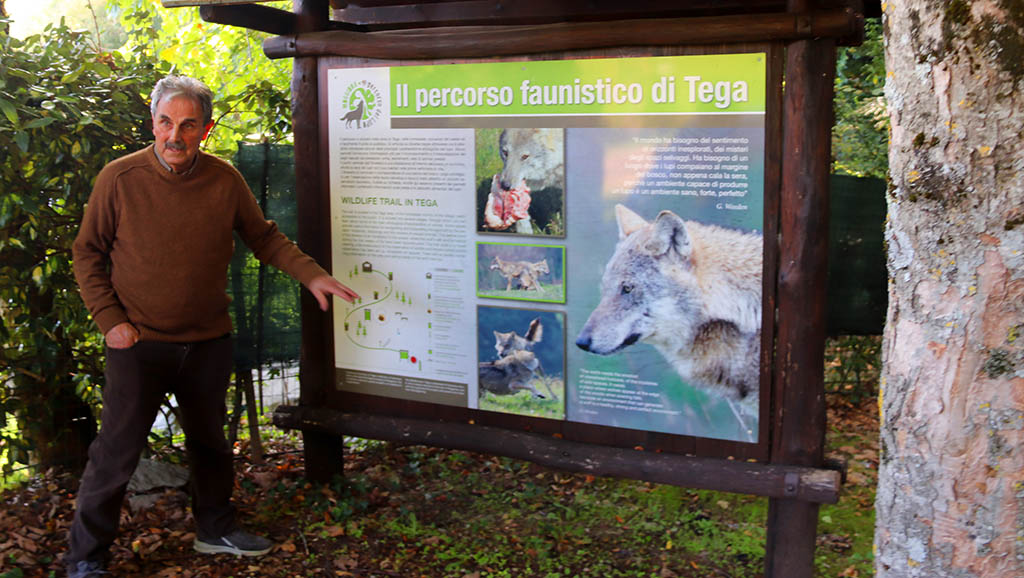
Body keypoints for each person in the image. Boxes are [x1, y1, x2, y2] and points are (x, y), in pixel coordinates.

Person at [64, 75, 358, 577]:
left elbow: (264, 237)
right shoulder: (119, 178)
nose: (173, 135)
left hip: (206, 342)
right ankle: (85, 559)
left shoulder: (224, 180)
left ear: (207, 128)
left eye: (187, 125)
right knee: (115, 455)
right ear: (152, 122)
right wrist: (110, 321)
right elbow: (87, 253)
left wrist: (314, 276)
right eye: (164, 122)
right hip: (139, 344)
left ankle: (214, 529)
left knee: (211, 444)